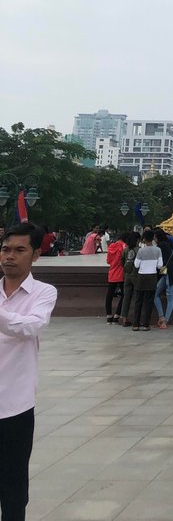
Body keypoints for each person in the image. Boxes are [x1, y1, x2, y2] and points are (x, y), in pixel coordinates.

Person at [0, 222, 58, 521]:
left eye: (19, 250)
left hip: (14, 407)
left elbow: (30, 327)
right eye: (5, 249)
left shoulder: (44, 293)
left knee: (12, 490)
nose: (9, 256)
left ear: (36, 254)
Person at [132, 229, 162, 331]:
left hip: (141, 276)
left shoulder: (141, 250)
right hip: (152, 276)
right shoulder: (158, 250)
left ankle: (136, 324)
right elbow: (160, 265)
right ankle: (146, 324)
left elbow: (136, 264)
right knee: (149, 302)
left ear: (144, 239)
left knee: (138, 301)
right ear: (153, 238)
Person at [153, 228, 173, 329]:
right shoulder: (168, 243)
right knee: (160, 294)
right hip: (168, 272)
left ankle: (164, 319)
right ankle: (162, 317)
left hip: (168, 272)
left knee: (169, 296)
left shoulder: (160, 246)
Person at [104, 231, 127, 323]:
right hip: (121, 273)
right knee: (124, 294)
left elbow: (108, 261)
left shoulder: (111, 247)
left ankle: (109, 315)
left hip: (112, 272)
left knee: (109, 295)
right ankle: (117, 315)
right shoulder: (124, 246)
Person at [118, 232, 139, 326]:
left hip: (127, 275)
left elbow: (122, 261)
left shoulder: (126, 250)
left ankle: (124, 319)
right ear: (138, 240)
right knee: (137, 298)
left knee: (126, 297)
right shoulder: (139, 250)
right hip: (136, 275)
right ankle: (136, 318)